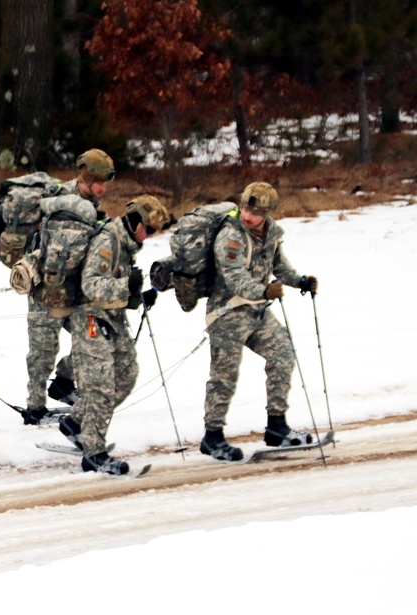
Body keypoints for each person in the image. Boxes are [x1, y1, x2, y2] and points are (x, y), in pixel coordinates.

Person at [198, 182, 318, 461]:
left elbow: (279, 265)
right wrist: (263, 291)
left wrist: (300, 281)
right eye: (245, 208)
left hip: (257, 312)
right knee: (224, 377)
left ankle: (277, 426)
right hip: (228, 314)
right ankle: (212, 436)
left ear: (267, 213)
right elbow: (234, 277)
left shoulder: (271, 234)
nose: (247, 215)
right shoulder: (230, 236)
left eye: (255, 211)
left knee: (283, 354)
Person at [58, 195, 171, 475]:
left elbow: (115, 285)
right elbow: (92, 285)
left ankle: (76, 422)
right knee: (100, 386)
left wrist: (136, 294)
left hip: (113, 318)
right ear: (135, 222)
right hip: (90, 319)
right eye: (149, 229)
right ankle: (94, 454)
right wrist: (126, 285)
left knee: (127, 373)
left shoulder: (126, 243)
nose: (150, 236)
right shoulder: (108, 240)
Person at [23, 148, 116, 424]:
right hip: (46, 288)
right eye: (98, 182)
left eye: (105, 183)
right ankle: (34, 406)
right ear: (86, 177)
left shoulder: (92, 206)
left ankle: (64, 381)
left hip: (77, 291)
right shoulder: (60, 200)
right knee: (43, 349)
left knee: (95, 338)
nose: (102, 188)